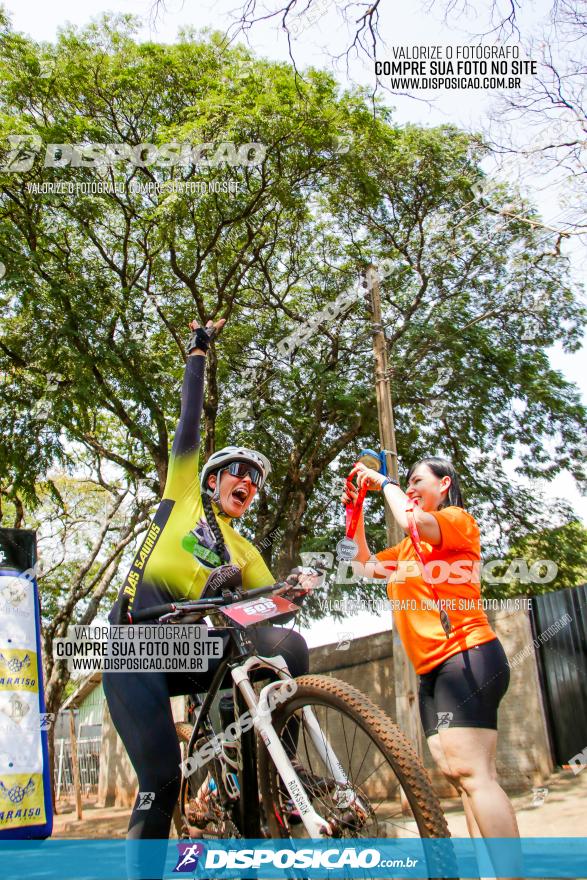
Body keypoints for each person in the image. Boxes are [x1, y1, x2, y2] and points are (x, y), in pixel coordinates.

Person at [103, 318, 317, 871]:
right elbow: (189, 426)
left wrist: (295, 588)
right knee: (161, 777)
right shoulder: (182, 498)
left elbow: (270, 604)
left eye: (256, 479)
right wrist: (197, 351)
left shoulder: (244, 550)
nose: (248, 481)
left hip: (195, 648)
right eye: (237, 472)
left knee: (287, 645)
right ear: (213, 481)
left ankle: (266, 780)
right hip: (135, 648)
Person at [342, 457, 521, 866]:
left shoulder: (457, 520)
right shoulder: (406, 549)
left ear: (445, 485)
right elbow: (362, 565)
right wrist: (355, 512)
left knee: (477, 776)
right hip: (431, 674)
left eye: (416, 481)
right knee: (462, 780)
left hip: (466, 655)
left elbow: (412, 521)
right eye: (406, 483)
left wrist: (384, 481)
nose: (409, 487)